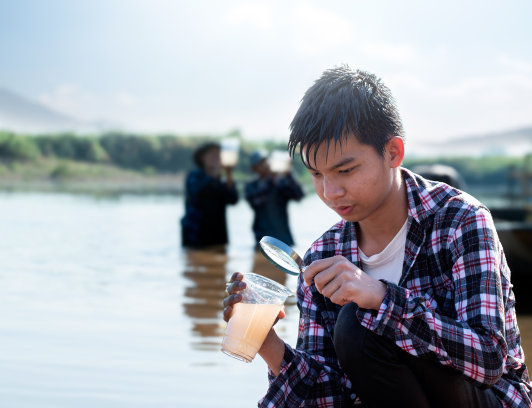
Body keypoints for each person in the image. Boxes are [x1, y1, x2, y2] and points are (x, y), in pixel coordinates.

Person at [223, 66, 531, 407]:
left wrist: (382, 299)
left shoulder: (461, 220)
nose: (330, 192)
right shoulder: (323, 255)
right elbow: (334, 395)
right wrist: (269, 345)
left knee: (356, 325)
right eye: (316, 174)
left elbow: (489, 360)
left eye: (345, 170)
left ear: (393, 153)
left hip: (484, 399)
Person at [181, 142, 239, 247]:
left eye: (218, 154)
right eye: (212, 154)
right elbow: (196, 194)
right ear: (202, 157)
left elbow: (233, 200)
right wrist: (215, 173)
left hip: (217, 234)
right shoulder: (194, 175)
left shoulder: (220, 180)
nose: (216, 157)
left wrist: (229, 174)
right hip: (195, 232)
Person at [245, 150, 304, 246]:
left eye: (266, 161)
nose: (265, 165)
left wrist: (289, 175)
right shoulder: (251, 186)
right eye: (261, 163)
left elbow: (299, 196)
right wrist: (271, 181)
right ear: (254, 168)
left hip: (283, 237)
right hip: (262, 238)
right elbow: (255, 203)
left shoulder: (281, 183)